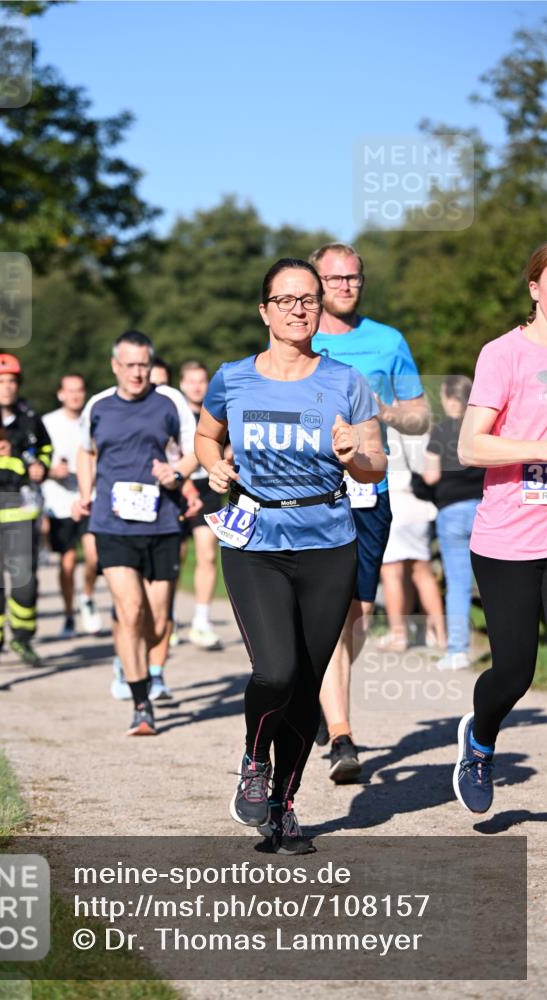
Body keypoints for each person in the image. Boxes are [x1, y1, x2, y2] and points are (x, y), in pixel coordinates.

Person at [195, 258, 386, 853]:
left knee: (304, 688)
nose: (298, 309)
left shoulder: (346, 382)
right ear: (265, 310)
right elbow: (206, 435)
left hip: (329, 542)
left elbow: (377, 464)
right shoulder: (233, 377)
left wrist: (356, 452)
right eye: (285, 300)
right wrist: (213, 464)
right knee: (274, 672)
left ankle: (283, 805)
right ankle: (254, 762)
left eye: (308, 299)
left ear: (319, 309)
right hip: (256, 542)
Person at [309, 242, 429, 783]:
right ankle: (341, 734)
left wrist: (379, 409)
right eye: (334, 279)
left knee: (357, 613)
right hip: (310, 492)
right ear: (315, 281)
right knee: (330, 614)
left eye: (353, 278)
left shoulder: (387, 341)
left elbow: (422, 415)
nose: (344, 287)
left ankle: (321, 691)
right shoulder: (296, 336)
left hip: (368, 493)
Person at [453, 243, 547, 815]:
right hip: (510, 536)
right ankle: (480, 743)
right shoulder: (504, 354)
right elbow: (469, 445)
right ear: (535, 287)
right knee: (514, 670)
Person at [77, 330, 198, 735]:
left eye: (143, 364)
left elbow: (197, 445)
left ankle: (140, 663)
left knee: (157, 619)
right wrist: (84, 492)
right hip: (112, 524)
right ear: (115, 366)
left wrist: (178, 472)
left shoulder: (169, 402)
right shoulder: (97, 406)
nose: (137, 372)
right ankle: (141, 702)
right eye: (129, 365)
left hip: (162, 521)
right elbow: (85, 451)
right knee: (129, 610)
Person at [0, 354, 53, 667]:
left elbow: (45, 449)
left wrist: (42, 466)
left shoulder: (29, 415)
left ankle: (22, 638)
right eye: (0, 381)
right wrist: (10, 462)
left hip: (22, 511)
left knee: (25, 582)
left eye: (12, 381)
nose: (7, 387)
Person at [423, 376, 484, 670]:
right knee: (496, 581)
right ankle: (508, 648)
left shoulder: (442, 430)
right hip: (486, 508)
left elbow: (430, 476)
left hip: (451, 511)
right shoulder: (483, 428)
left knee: (458, 583)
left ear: (449, 398)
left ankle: (458, 651)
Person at [42, 374, 102, 638]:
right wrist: (52, 470)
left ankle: (86, 597)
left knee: (93, 555)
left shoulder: (95, 418)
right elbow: (38, 461)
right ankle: (68, 615)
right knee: (66, 563)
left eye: (80, 390)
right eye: (70, 391)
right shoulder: (48, 423)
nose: (76, 396)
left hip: (90, 497)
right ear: (60, 394)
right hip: (58, 502)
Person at [378, 427, 446, 652]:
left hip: (394, 504)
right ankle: (441, 635)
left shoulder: (382, 429)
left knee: (391, 573)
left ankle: (399, 635)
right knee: (421, 572)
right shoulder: (421, 432)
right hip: (420, 507)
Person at [179, 361, 224, 650]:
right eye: (191, 381)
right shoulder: (171, 412)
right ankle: (167, 616)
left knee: (207, 555)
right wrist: (182, 484)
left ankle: (201, 620)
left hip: (207, 488)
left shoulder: (218, 414)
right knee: (177, 556)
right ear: (181, 384)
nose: (197, 386)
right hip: (177, 489)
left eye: (201, 381)